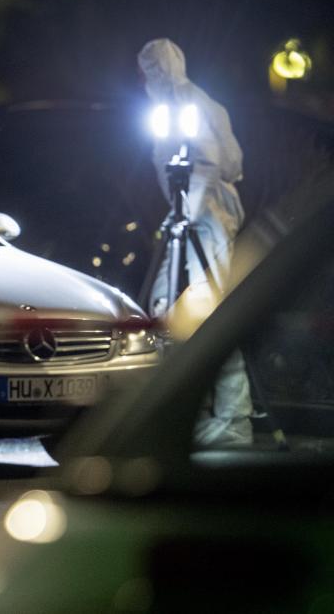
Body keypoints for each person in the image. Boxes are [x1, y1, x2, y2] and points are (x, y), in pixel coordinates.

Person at [137, 38, 253, 447]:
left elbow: (210, 162)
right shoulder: (167, 108)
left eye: (153, 69)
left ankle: (234, 418)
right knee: (167, 310)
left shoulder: (192, 103)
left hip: (209, 218)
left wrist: (185, 211)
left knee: (213, 309)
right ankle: (191, 408)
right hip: (191, 215)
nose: (148, 78)